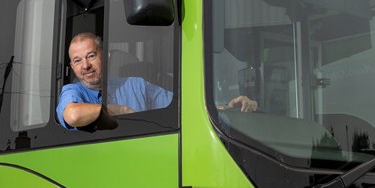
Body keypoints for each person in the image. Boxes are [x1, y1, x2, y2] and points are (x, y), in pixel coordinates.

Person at [57, 33, 257, 130]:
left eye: (91, 56)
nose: (85, 65)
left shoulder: (136, 85)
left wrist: (226, 106)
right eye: (77, 61)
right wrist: (123, 111)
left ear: (106, 56)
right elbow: (73, 115)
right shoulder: (72, 92)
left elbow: (182, 108)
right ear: (73, 67)